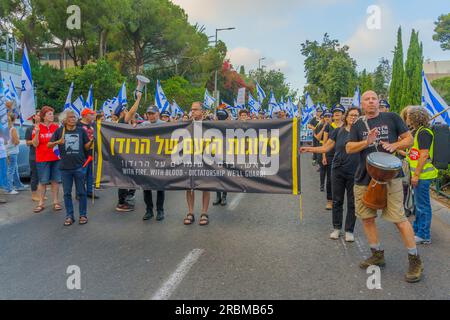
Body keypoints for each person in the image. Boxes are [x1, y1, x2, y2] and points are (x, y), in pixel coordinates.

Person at [346, 90, 423, 283]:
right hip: (364, 177)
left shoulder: (392, 117)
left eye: (374, 99)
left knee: (399, 218)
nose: (371, 102)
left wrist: (395, 146)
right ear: (362, 104)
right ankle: (377, 254)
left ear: (378, 102)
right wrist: (366, 141)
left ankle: (415, 260)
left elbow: (409, 140)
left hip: (392, 177)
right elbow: (349, 148)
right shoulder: (356, 124)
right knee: (367, 218)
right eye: (367, 99)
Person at [301, 107, 361, 242]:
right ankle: (337, 228)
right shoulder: (338, 132)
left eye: (356, 115)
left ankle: (349, 230)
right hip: (338, 170)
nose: (353, 117)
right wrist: (309, 148)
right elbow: (326, 147)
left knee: (352, 202)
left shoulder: (362, 133)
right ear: (346, 117)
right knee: (337, 200)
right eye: (351, 115)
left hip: (355, 171)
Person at [48, 110, 92, 226]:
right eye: (71, 117)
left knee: (82, 192)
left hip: (79, 166)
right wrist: (58, 141)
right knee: (67, 193)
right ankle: (69, 216)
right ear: (65, 120)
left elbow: (86, 147)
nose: (73, 119)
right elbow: (49, 145)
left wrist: (92, 141)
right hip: (65, 168)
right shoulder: (59, 131)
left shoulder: (81, 131)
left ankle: (83, 215)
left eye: (74, 117)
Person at [405, 106, 438, 245]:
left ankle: (424, 234)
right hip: (419, 175)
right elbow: (415, 154)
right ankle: (418, 230)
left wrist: (416, 175)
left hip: (423, 176)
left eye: (408, 116)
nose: (406, 118)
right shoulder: (418, 131)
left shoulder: (424, 132)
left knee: (422, 205)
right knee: (419, 204)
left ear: (415, 117)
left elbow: (424, 155)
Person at [114, 93, 142, 212]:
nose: (128, 112)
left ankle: (128, 198)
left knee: (130, 177)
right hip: (123, 156)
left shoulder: (128, 123)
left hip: (128, 155)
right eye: (125, 110)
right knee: (124, 178)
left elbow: (132, 114)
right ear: (122, 113)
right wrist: (139, 98)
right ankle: (122, 202)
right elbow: (132, 112)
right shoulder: (121, 121)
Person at [184, 102, 211, 226]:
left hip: (205, 159)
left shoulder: (210, 124)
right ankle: (190, 212)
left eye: (195, 109)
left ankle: (204, 212)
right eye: (191, 109)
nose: (193, 112)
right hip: (190, 158)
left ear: (202, 111)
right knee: (189, 186)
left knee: (205, 186)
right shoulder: (186, 125)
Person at [32, 106, 62, 213]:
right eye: (49, 114)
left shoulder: (56, 127)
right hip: (42, 158)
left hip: (55, 157)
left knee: (55, 180)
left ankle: (56, 202)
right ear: (44, 116)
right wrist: (37, 132)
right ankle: (40, 203)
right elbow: (35, 144)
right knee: (43, 181)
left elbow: (61, 141)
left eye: (52, 114)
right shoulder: (37, 127)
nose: (52, 116)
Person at [140, 105, 166, 221]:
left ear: (157, 114)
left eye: (152, 113)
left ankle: (160, 210)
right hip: (147, 160)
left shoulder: (165, 125)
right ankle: (149, 210)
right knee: (146, 186)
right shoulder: (144, 125)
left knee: (160, 186)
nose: (150, 115)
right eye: (149, 113)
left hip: (160, 160)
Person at [321, 105, 345, 210]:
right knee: (331, 179)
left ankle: (340, 200)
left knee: (344, 179)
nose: (337, 113)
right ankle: (329, 201)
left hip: (344, 155)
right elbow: (324, 142)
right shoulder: (328, 126)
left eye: (339, 112)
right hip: (331, 155)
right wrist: (323, 156)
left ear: (343, 114)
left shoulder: (346, 126)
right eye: (335, 111)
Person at [78, 108, 98, 199]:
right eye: (91, 114)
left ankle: (89, 191)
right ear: (85, 115)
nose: (93, 116)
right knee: (81, 174)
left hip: (91, 152)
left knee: (90, 173)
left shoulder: (92, 125)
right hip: (82, 153)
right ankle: (80, 192)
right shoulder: (78, 125)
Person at [5, 113, 27, 194]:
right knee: (11, 170)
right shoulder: (12, 129)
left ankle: (18, 185)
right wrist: (17, 140)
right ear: (14, 119)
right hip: (12, 152)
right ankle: (9, 188)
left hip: (7, 152)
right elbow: (16, 141)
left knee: (14, 169)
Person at [213, 107, 229, 206]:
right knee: (216, 176)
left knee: (224, 176)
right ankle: (217, 196)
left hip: (226, 153)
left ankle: (224, 196)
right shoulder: (211, 126)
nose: (219, 118)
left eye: (221, 117)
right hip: (215, 153)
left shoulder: (229, 126)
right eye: (218, 116)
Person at [315, 111, 332, 195]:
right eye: (326, 116)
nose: (327, 118)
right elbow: (318, 138)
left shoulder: (334, 126)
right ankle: (322, 185)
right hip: (321, 147)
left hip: (331, 149)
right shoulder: (320, 125)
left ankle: (329, 185)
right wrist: (323, 128)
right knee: (323, 168)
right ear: (323, 117)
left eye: (329, 116)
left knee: (330, 170)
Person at [0, 134, 7, 204]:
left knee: (3, 175)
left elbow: (4, 144)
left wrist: (6, 154)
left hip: (2, 157)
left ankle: (2, 194)